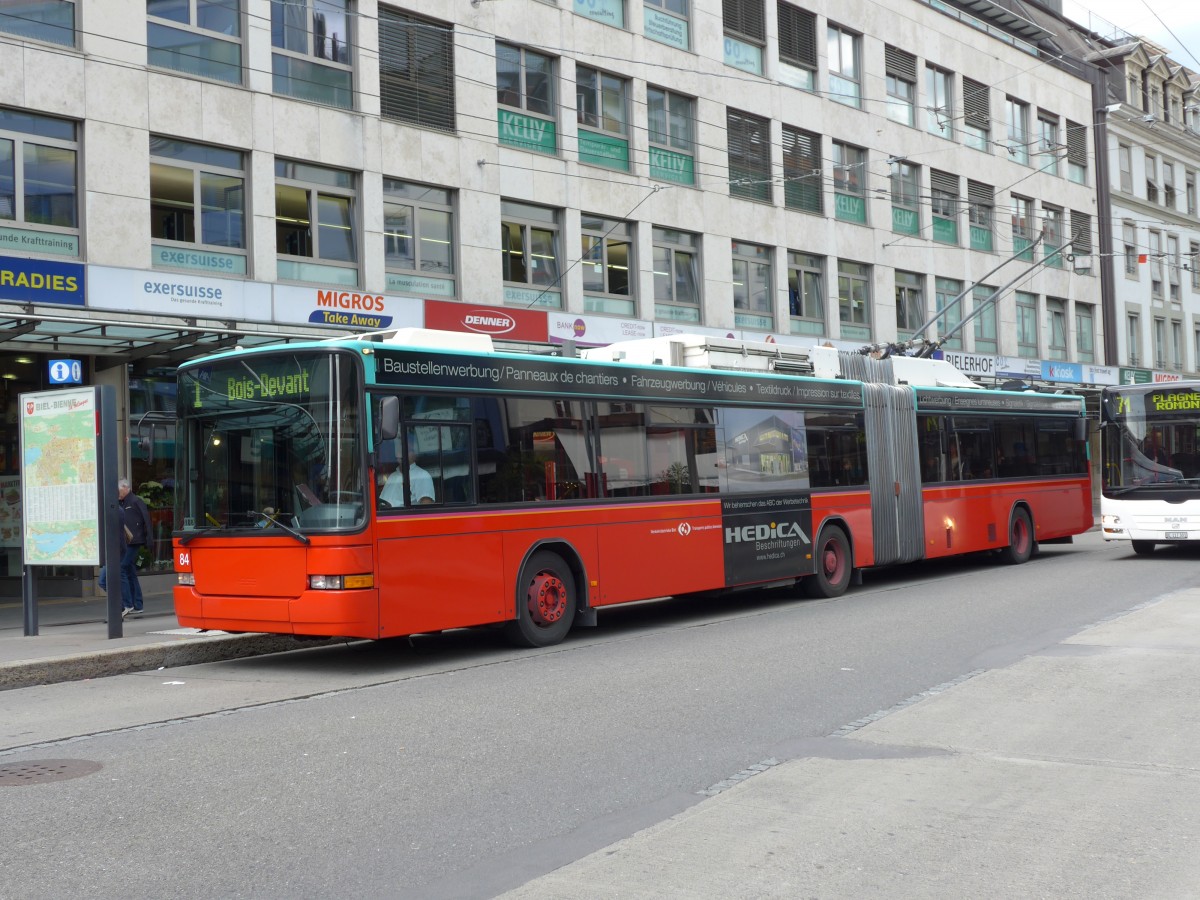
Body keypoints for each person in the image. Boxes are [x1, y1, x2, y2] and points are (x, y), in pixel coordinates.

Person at [118, 478, 153, 618]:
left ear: (126, 488)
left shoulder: (136, 501)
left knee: (122, 568)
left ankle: (128, 604)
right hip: (127, 543)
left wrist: (149, 540)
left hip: (135, 542)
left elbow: (147, 520)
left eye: (119, 489)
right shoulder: (122, 502)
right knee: (130, 572)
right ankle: (138, 604)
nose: (117, 492)